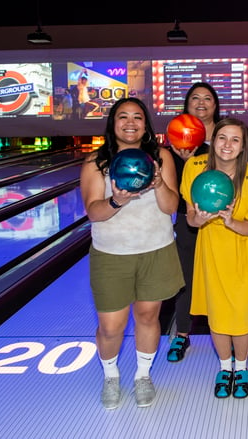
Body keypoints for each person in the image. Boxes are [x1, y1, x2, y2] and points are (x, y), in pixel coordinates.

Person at [80, 97, 184, 410]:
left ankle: (142, 375)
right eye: (123, 117)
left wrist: (158, 184)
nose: (130, 123)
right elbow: (93, 213)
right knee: (111, 326)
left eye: (137, 117)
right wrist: (118, 200)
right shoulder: (96, 162)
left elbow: (171, 207)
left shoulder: (161, 157)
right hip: (111, 255)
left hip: (156, 250)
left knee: (148, 317)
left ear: (145, 125)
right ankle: (110, 376)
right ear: (113, 124)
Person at [165, 82, 248, 363]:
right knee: (187, 278)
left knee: (228, 288)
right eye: (194, 98)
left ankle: (236, 350)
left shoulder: (230, 143)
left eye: (207, 98)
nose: (200, 103)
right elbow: (185, 188)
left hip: (230, 227)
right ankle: (182, 334)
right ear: (186, 104)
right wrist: (182, 158)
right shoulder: (177, 138)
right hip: (194, 219)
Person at [180, 117, 248, 399]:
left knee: (242, 316)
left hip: (244, 249)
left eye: (235, 139)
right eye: (222, 138)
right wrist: (201, 218)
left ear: (243, 146)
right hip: (212, 249)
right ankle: (224, 368)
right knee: (218, 315)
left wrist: (231, 221)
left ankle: (241, 368)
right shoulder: (195, 167)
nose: (227, 145)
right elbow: (191, 220)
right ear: (213, 140)